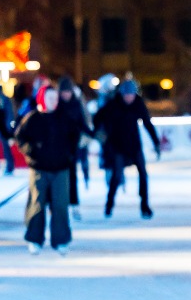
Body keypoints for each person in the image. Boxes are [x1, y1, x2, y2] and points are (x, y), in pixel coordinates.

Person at [16, 85, 80, 255]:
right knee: (37, 205)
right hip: (39, 169)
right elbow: (20, 137)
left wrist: (69, 154)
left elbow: (75, 136)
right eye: (50, 98)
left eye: (55, 98)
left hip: (61, 169)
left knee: (60, 205)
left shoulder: (64, 117)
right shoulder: (33, 118)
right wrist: (31, 151)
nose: (54, 101)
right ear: (42, 99)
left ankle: (61, 240)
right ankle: (35, 239)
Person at [94, 79, 160, 219]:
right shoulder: (113, 105)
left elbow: (147, 123)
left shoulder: (138, 104)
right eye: (127, 95)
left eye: (132, 95)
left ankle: (145, 206)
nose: (130, 97)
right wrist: (100, 133)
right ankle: (109, 204)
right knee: (116, 176)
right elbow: (98, 117)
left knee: (143, 174)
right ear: (122, 94)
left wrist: (156, 143)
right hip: (118, 146)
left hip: (135, 146)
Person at [57, 77, 94, 221]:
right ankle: (56, 205)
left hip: (72, 147)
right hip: (57, 147)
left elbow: (82, 123)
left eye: (68, 92)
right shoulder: (56, 105)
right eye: (63, 92)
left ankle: (74, 205)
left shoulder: (76, 104)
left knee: (72, 177)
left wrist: (92, 133)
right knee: (57, 178)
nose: (66, 95)